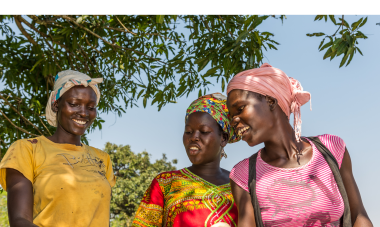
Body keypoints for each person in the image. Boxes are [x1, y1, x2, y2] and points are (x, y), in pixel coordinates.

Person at [226, 63, 372, 226]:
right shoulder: (243, 175)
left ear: (270, 101)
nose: (234, 121)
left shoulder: (331, 148)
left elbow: (359, 215)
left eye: (239, 109)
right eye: (231, 117)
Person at [0, 70, 116, 227]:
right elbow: (20, 220)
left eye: (91, 107)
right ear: (56, 105)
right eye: (74, 104)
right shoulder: (27, 150)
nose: (83, 113)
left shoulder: (102, 159)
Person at [132, 93, 241, 227]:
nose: (194, 137)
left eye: (204, 131)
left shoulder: (241, 186)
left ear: (223, 138)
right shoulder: (165, 183)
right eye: (188, 131)